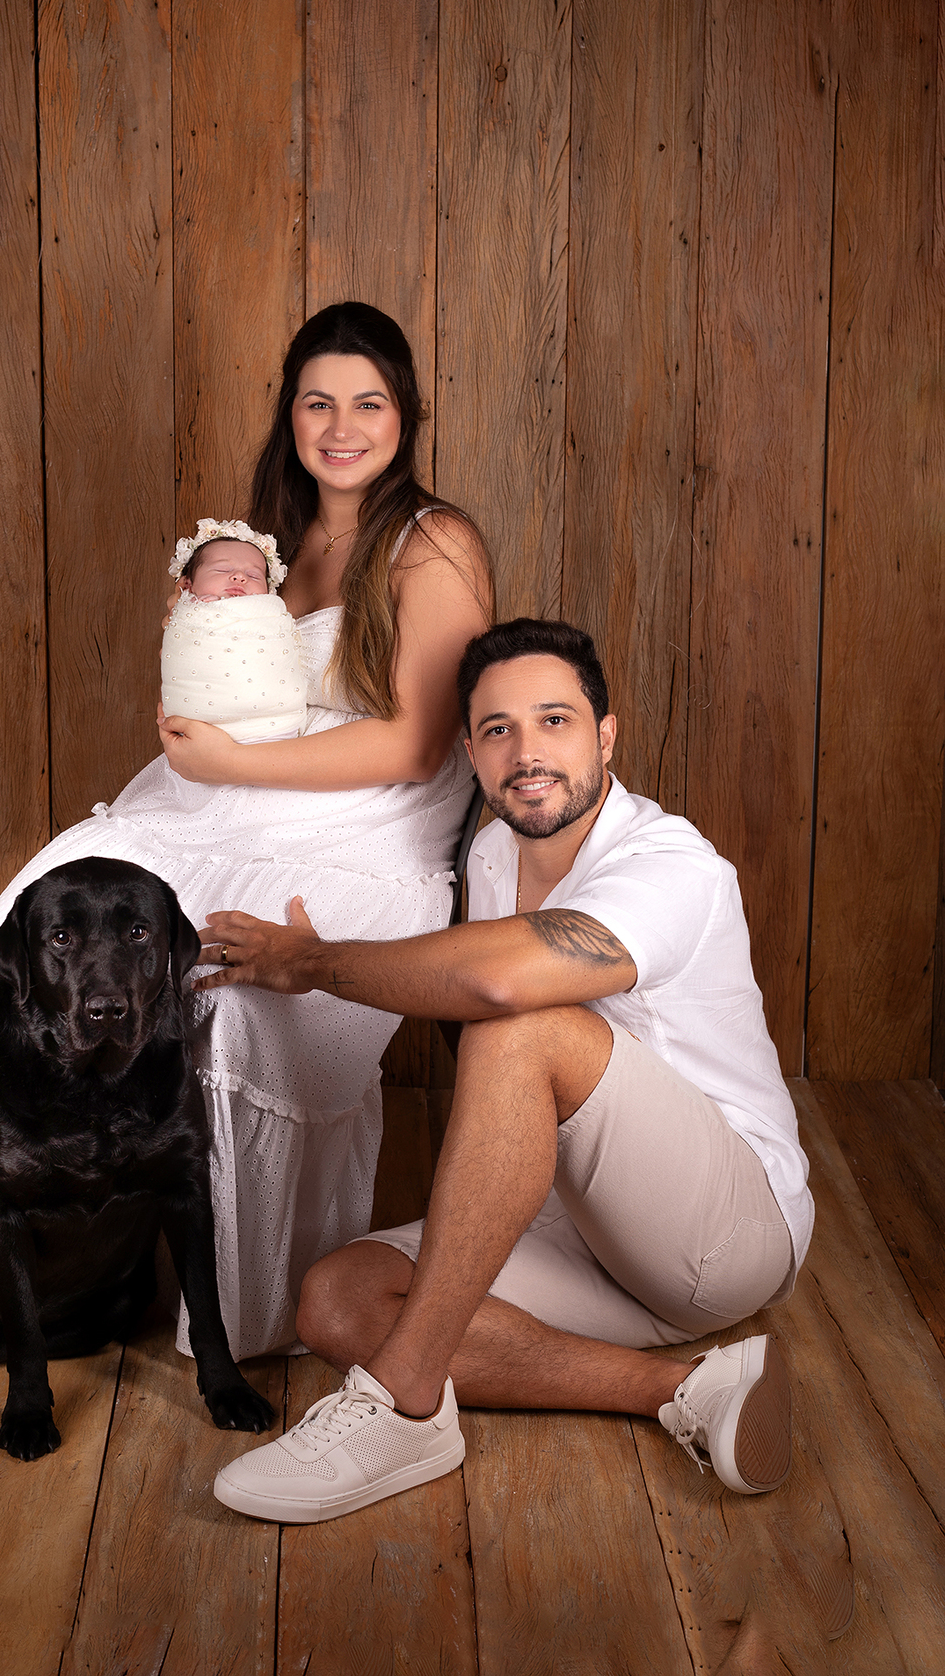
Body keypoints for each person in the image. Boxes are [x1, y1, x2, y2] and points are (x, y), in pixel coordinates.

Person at [0, 303, 493, 1361]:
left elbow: (420, 746)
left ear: (407, 416)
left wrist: (231, 762)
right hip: (224, 796)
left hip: (364, 822)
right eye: (318, 402)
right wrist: (194, 651)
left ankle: (233, 1304)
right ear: (289, 414)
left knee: (226, 999)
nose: (341, 427)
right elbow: (227, 688)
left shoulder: (433, 543)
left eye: (368, 403)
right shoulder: (262, 544)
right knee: (41, 916)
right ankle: (38, 1247)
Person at [200, 618, 813, 1523]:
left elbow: (497, 981)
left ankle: (406, 1404)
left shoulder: (673, 863)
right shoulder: (491, 856)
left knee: (519, 1025)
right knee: (337, 1301)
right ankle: (686, 1389)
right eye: (498, 730)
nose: (527, 753)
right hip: (585, 1229)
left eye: (555, 721)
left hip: (726, 1233)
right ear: (472, 755)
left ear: (606, 736)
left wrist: (313, 962)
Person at [161, 519, 307, 742]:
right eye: (222, 569)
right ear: (187, 584)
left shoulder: (271, 612)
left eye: (254, 575)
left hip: (275, 729)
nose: (240, 577)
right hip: (197, 726)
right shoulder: (188, 611)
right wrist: (192, 611)